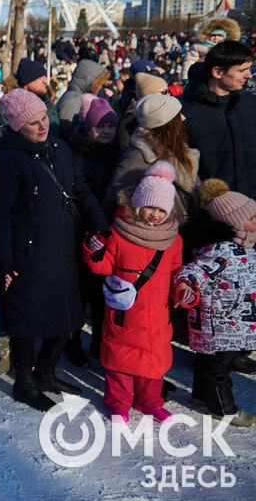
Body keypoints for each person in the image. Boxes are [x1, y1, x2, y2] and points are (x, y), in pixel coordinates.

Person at [0, 89, 108, 412]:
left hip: (64, 249)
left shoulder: (58, 146)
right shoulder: (8, 161)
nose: (42, 127)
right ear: (15, 127)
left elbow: (80, 188)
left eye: (44, 119)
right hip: (29, 255)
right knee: (26, 320)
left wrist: (99, 224)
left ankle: (46, 371)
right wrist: (3, 264)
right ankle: (24, 383)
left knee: (69, 317)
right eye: (32, 124)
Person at [82, 162, 185, 423]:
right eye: (149, 207)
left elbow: (177, 273)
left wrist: (185, 289)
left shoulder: (174, 239)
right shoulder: (120, 233)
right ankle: (118, 404)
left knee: (154, 365)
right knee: (120, 363)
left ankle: (150, 402)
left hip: (158, 317)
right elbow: (103, 266)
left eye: (161, 209)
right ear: (137, 204)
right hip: (126, 313)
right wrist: (93, 249)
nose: (154, 214)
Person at [176, 179, 256, 427]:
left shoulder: (245, 247)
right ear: (233, 222)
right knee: (218, 369)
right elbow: (195, 270)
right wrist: (185, 283)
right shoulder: (220, 250)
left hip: (233, 321)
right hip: (220, 324)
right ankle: (224, 410)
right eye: (251, 217)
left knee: (206, 361)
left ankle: (201, 396)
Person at [66, 97, 120, 363]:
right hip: (79, 231)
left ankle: (99, 342)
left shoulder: (118, 153)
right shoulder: (74, 152)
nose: (107, 131)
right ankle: (73, 343)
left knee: (103, 293)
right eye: (101, 126)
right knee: (79, 293)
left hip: (109, 232)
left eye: (111, 126)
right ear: (89, 127)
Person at [105, 94, 200, 228]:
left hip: (185, 234)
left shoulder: (178, 148)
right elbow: (115, 202)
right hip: (160, 239)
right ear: (163, 123)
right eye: (177, 115)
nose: (183, 118)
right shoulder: (138, 157)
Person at [180, 41, 256, 199]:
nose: (249, 75)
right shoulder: (185, 113)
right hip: (213, 213)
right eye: (242, 70)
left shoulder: (251, 104)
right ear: (218, 72)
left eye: (249, 69)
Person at [56, 59, 109, 137]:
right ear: (88, 81)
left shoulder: (79, 97)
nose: (100, 87)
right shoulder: (73, 101)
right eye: (99, 83)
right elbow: (66, 132)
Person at [12, 58, 58, 136]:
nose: (45, 81)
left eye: (45, 76)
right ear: (27, 81)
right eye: (40, 77)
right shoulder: (11, 108)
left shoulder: (48, 104)